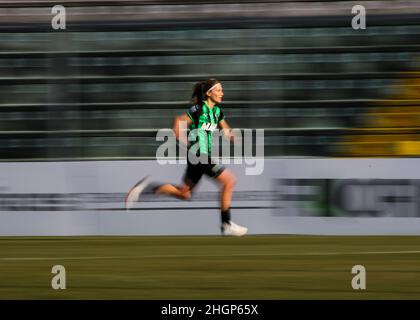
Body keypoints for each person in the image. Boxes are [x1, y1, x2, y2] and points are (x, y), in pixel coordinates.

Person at [125, 78, 247, 236]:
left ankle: (147, 188)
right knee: (229, 181)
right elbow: (179, 120)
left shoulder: (217, 112)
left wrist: (233, 136)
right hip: (198, 154)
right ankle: (226, 223)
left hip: (199, 157)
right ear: (209, 93)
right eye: (218, 90)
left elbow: (226, 130)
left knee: (185, 193)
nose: (222, 93)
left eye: (222, 90)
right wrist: (180, 137)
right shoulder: (199, 108)